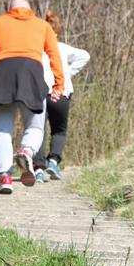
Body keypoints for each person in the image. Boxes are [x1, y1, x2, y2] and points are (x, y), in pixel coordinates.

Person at [0, 0, 64, 194]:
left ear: (10, 9)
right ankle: (26, 151)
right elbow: (54, 54)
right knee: (35, 125)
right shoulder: (42, 25)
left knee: (1, 130)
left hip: (1, 74)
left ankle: (5, 176)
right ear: (30, 10)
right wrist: (59, 84)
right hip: (31, 73)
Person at [33, 11, 90, 182]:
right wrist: (68, 74)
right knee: (59, 130)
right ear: (56, 32)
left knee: (37, 130)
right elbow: (85, 56)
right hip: (60, 93)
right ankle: (53, 161)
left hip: (39, 93)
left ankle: (39, 169)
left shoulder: (36, 50)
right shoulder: (63, 48)